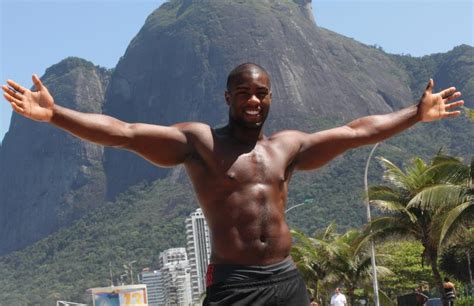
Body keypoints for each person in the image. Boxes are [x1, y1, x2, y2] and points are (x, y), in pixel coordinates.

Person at [2, 63, 464, 305]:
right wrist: (55, 114)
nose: (253, 99)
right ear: (228, 97)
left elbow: (356, 130)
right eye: (243, 92)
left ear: (270, 97)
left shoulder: (288, 146)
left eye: (261, 92)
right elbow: (123, 132)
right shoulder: (199, 143)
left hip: (285, 278)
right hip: (234, 283)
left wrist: (415, 113)